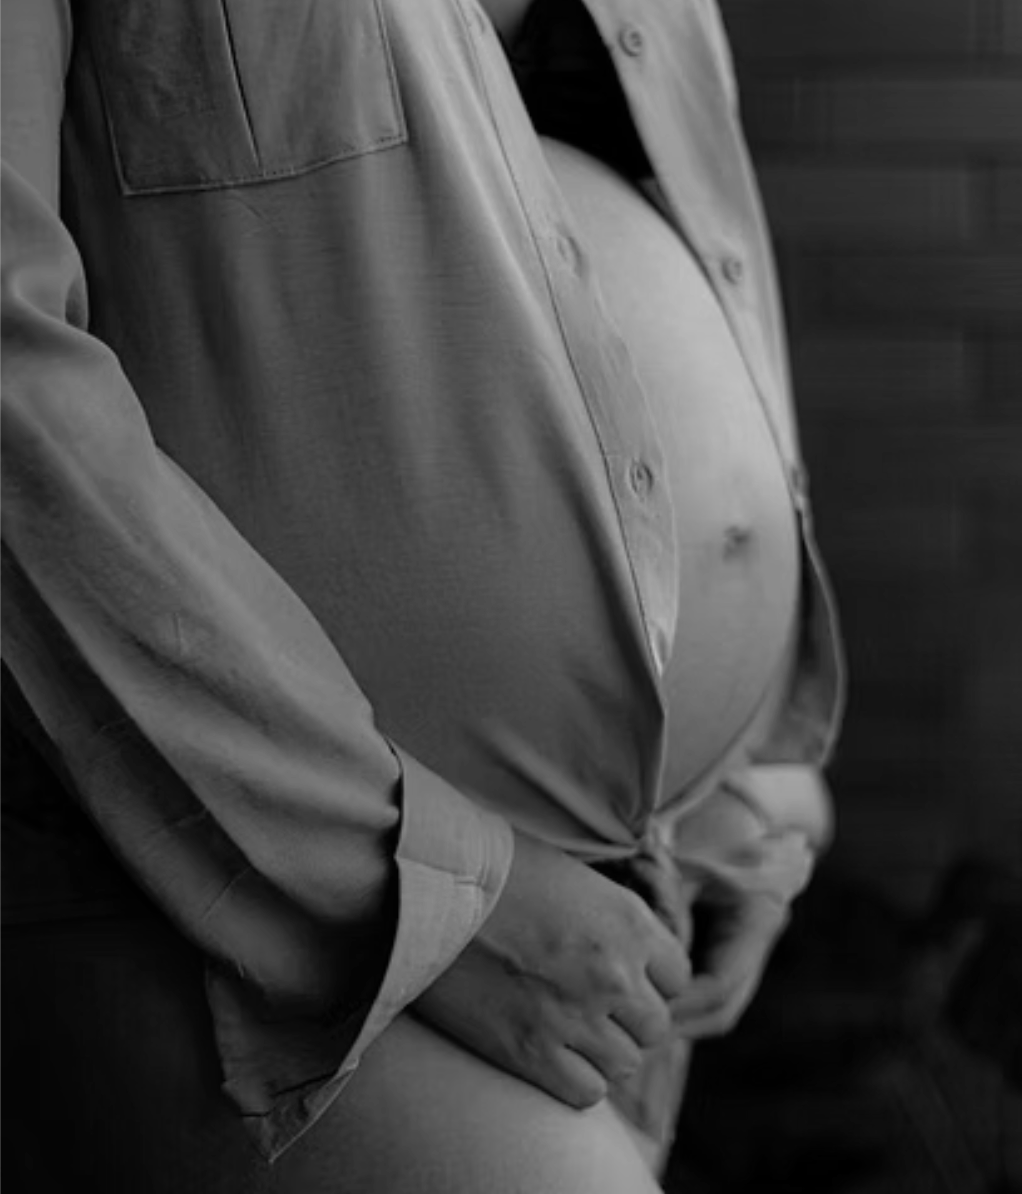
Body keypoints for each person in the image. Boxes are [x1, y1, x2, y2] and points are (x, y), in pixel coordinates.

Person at [0, 0, 845, 1189]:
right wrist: (413, 885)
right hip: (242, 887)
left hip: (617, 886)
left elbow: (654, 216)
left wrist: (741, 767)